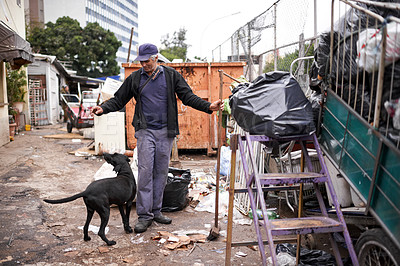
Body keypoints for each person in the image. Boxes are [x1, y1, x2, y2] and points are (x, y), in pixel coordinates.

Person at [91, 43, 223, 233]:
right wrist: (103, 108)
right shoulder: (135, 78)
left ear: (156, 58)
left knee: (161, 173)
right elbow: (119, 99)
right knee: (145, 173)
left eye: (147, 61)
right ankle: (145, 216)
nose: (144, 64)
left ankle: (156, 211)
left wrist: (208, 106)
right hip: (145, 131)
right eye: (141, 62)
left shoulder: (170, 76)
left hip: (166, 132)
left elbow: (187, 96)